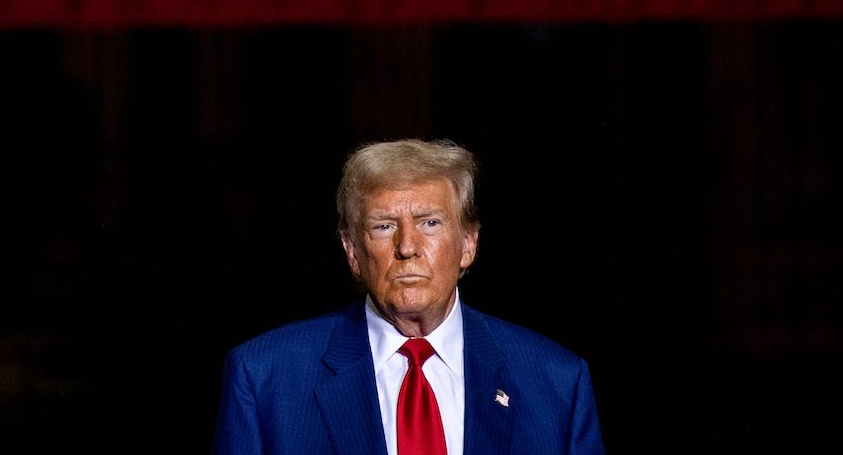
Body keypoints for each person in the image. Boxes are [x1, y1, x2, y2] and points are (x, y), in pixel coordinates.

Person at [213, 138, 605, 454]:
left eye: (429, 223)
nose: (407, 247)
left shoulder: (556, 384)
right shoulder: (265, 377)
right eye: (384, 227)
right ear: (352, 251)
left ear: (468, 244)